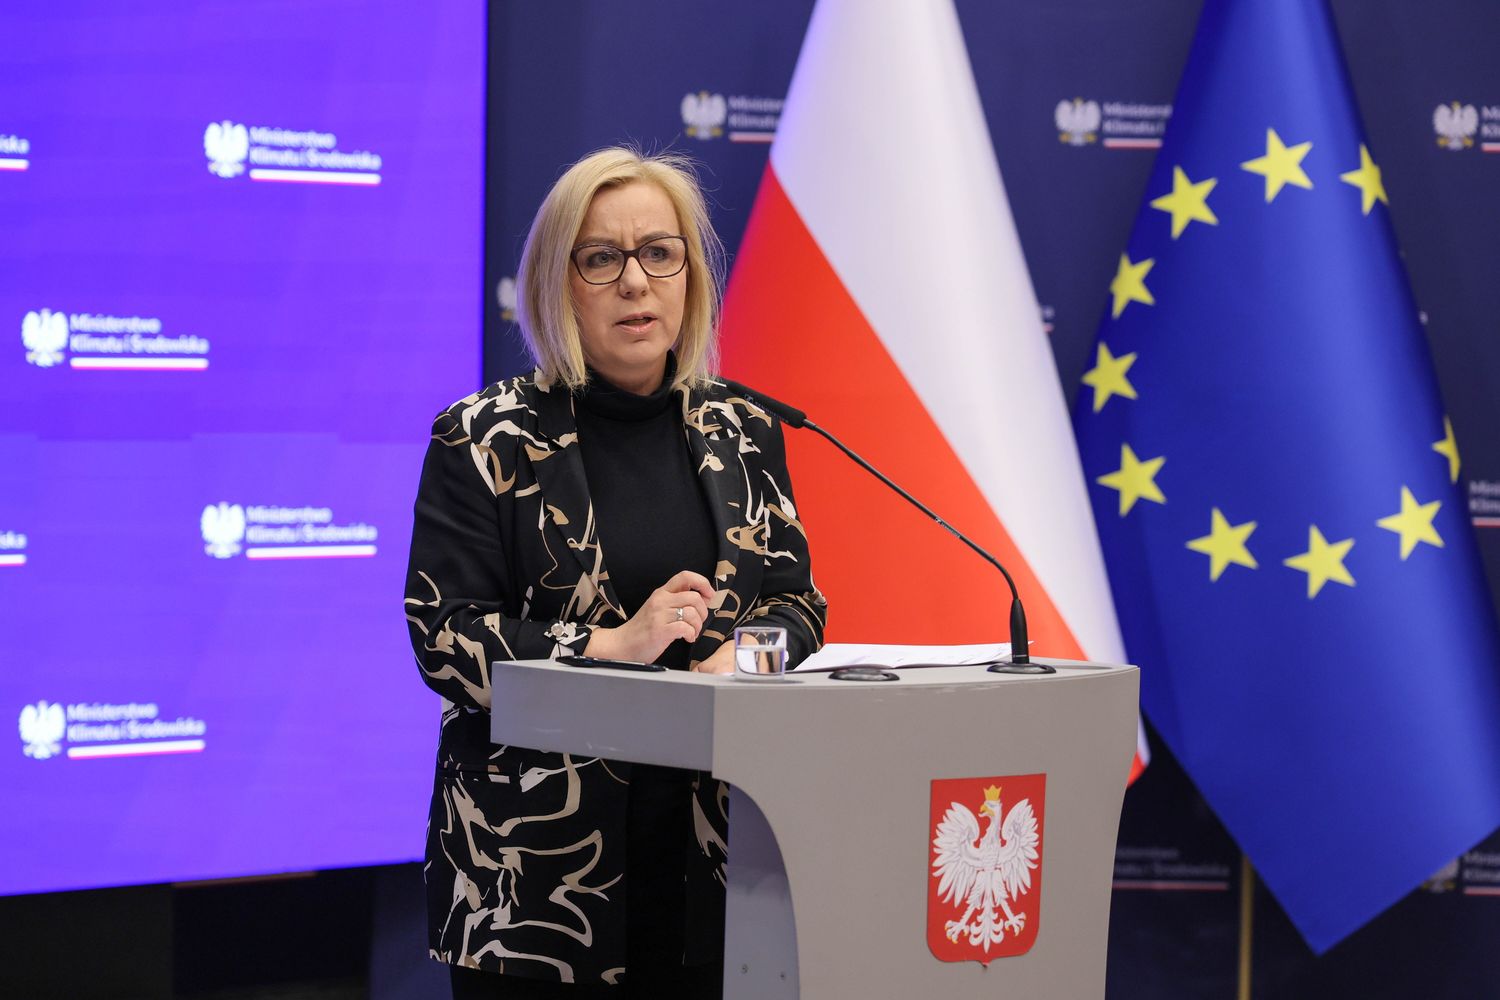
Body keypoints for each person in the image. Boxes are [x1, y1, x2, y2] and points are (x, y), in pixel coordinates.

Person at [403, 147, 827, 999]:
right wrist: (611, 645)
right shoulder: (483, 436)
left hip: (718, 867)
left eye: (659, 253)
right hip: (533, 886)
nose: (636, 281)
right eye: (601, 258)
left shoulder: (744, 428)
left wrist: (739, 661)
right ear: (556, 284)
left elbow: (797, 605)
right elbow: (445, 639)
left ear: (689, 275)